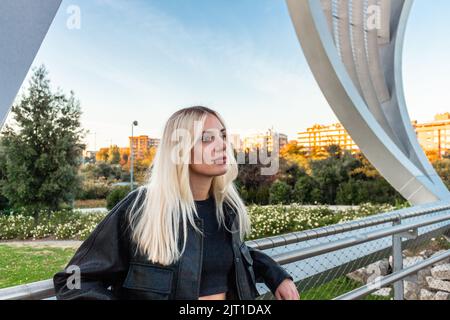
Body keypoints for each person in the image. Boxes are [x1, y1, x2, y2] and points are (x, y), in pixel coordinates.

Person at [53, 106, 299, 300]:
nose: (223, 145)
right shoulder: (140, 208)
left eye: (223, 136)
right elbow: (74, 280)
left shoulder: (226, 209)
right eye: (206, 139)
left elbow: (231, 255)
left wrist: (275, 274)